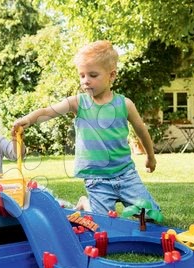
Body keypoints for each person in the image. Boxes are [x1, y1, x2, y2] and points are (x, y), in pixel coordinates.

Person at [12, 40, 160, 215]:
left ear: (111, 75)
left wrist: (151, 157)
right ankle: (85, 203)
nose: (86, 81)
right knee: (102, 222)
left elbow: (141, 130)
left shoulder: (124, 104)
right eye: (82, 76)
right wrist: (28, 119)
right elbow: (49, 111)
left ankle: (99, 204)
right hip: (97, 179)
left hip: (126, 174)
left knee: (151, 216)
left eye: (93, 75)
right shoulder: (78, 103)